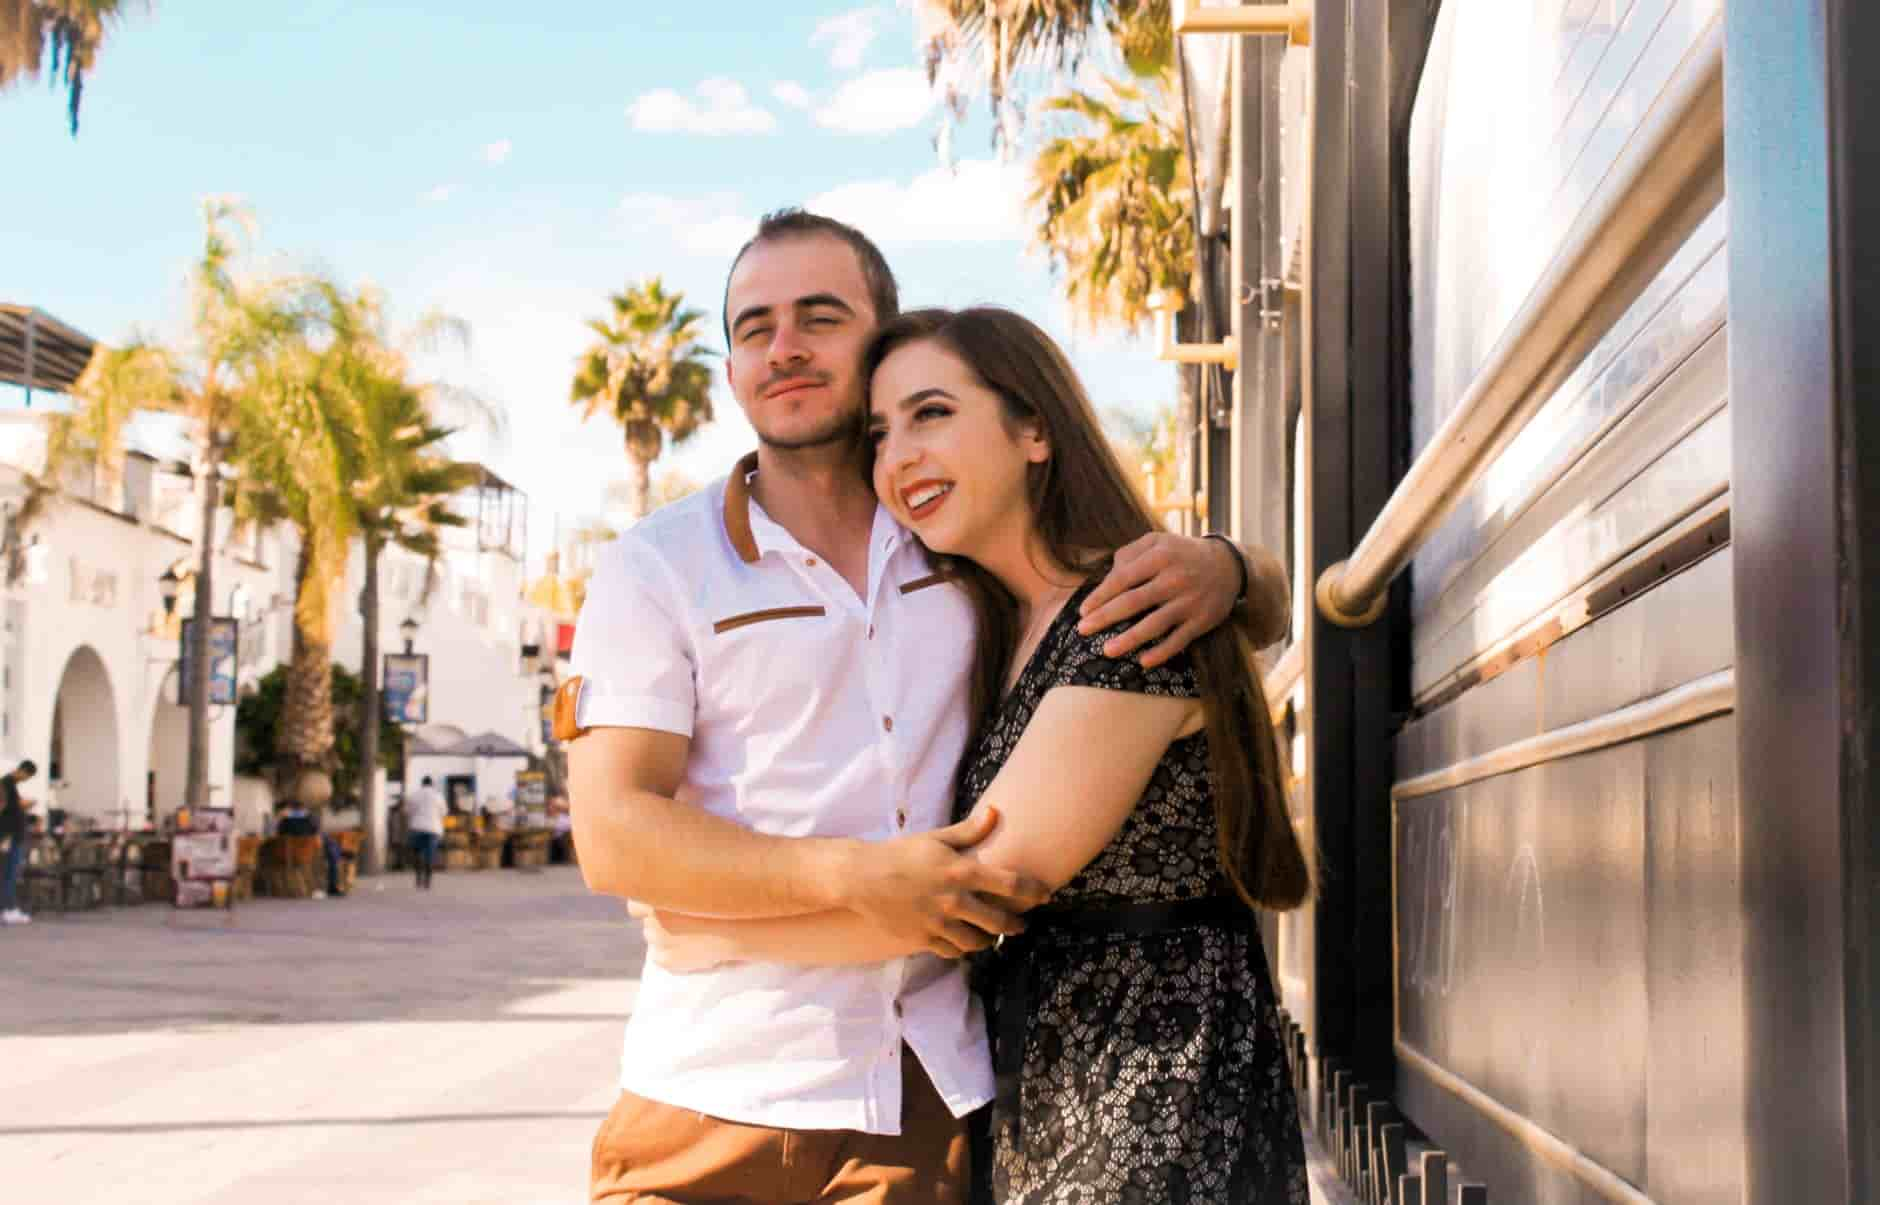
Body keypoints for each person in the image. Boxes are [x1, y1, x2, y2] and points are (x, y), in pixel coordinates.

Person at [567, 210, 1290, 1204]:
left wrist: (1231, 569)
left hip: (935, 1100)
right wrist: (845, 879)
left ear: (878, 340)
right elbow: (612, 833)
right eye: (751, 327)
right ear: (729, 367)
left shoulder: (954, 554)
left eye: (819, 316)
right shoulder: (659, 565)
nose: (782, 348)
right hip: (713, 1089)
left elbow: (1124, 618)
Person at [1, 760, 40, 926]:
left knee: (9, 874)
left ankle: (8, 909)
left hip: (12, 836)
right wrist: (25, 804)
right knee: (9, 874)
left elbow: (11, 808)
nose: (25, 780)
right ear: (23, 771)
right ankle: (8, 910)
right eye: (27, 777)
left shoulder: (10, 785)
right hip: (9, 837)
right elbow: (6, 808)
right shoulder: (6, 783)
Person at [404, 775, 447, 890]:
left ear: (422, 784)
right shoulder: (438, 796)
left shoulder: (414, 795)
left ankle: (418, 879)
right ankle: (428, 881)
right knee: (430, 855)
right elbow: (443, 812)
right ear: (432, 784)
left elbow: (407, 812)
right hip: (433, 829)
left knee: (417, 853)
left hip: (417, 827)